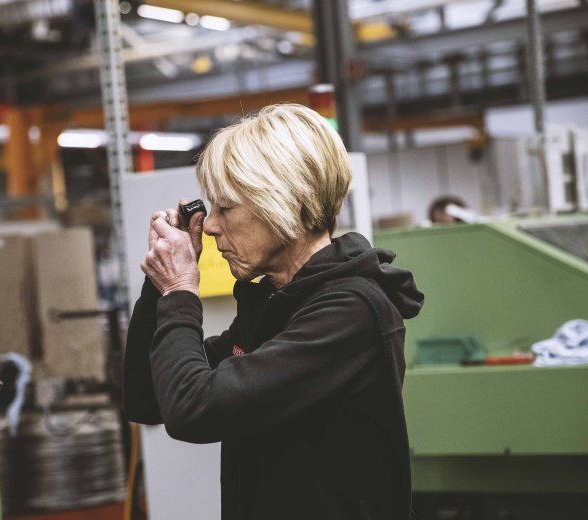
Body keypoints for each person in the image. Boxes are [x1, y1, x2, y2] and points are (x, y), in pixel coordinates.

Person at [123, 104, 424, 520]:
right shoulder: (272, 303)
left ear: (290, 204)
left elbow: (195, 410)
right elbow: (148, 399)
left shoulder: (350, 310)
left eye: (225, 209)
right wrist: (161, 286)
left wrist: (180, 290)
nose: (210, 226)